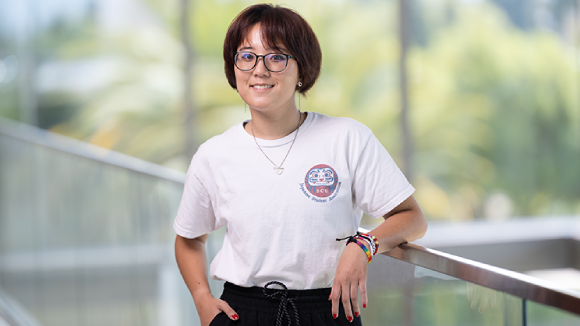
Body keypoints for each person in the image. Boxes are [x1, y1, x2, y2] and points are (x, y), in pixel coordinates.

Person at [173, 3, 427, 326]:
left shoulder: (347, 138)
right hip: (242, 312)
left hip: (329, 310)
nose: (259, 70)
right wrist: (201, 299)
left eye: (277, 57)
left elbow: (412, 218)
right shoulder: (213, 155)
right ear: (233, 68)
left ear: (302, 70)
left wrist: (363, 245)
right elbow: (189, 239)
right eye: (247, 56)